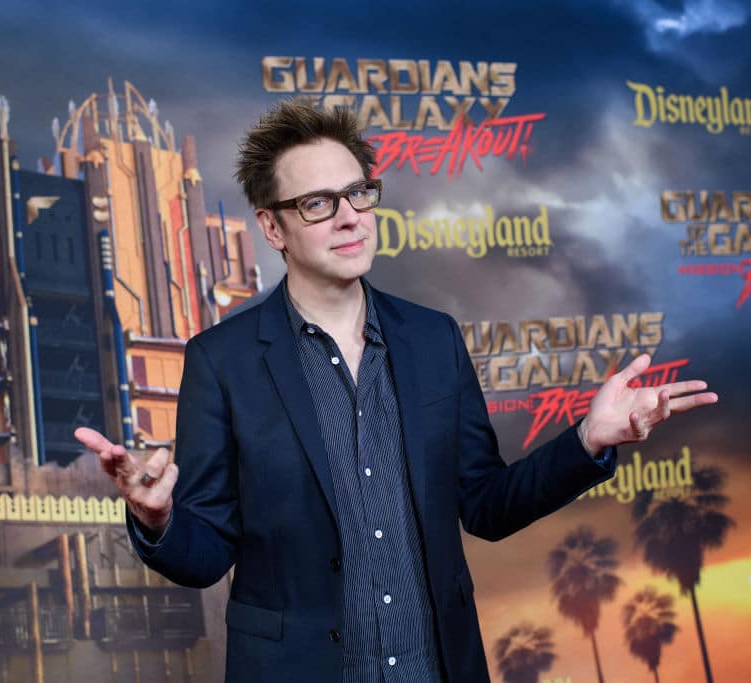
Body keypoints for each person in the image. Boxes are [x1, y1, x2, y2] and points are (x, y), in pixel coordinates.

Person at [74, 102, 717, 682]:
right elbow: (206, 554)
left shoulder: (433, 339)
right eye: (318, 203)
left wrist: (587, 440)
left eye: (358, 192)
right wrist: (157, 520)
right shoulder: (221, 361)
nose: (350, 217)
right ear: (272, 228)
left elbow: (485, 506)